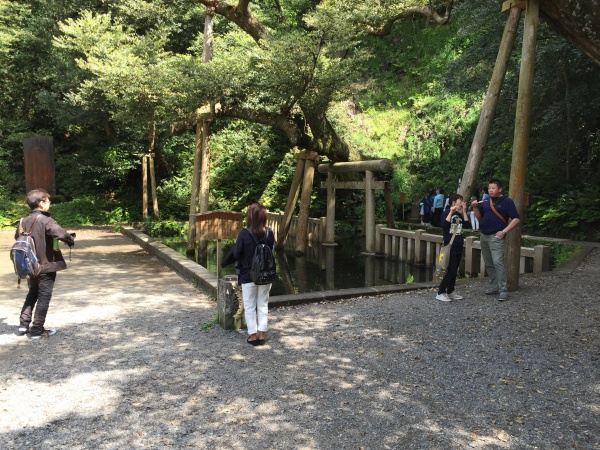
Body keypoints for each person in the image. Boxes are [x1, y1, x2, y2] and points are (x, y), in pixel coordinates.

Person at [17, 189, 75, 339]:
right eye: (48, 201)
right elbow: (60, 233)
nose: (49, 204)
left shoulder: (23, 221)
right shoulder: (45, 220)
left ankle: (23, 325)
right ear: (41, 203)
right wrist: (70, 239)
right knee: (44, 296)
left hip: (29, 264)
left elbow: (17, 237)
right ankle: (37, 330)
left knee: (33, 293)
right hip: (45, 265)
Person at [232, 203, 275, 346]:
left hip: (248, 275)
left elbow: (236, 253)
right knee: (263, 304)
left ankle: (253, 335)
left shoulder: (244, 234)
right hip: (266, 275)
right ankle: (262, 334)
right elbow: (271, 250)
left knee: (250, 306)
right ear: (264, 216)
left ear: (250, 217)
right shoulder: (269, 232)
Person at [472, 179, 520, 301]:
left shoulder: (507, 201)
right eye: (489, 188)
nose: (491, 190)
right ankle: (494, 286)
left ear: (500, 189)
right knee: (489, 263)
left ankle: (503, 290)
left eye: (493, 188)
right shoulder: (486, 200)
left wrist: (504, 231)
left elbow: (516, 218)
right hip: (484, 235)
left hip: (496, 236)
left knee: (498, 262)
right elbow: (480, 218)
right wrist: (476, 208)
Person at [436, 193, 471, 302]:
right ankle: (440, 292)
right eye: (460, 201)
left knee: (454, 270)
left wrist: (464, 211)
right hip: (450, 245)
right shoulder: (446, 213)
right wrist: (451, 211)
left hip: (458, 245)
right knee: (450, 270)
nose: (461, 202)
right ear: (453, 202)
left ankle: (450, 291)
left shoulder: (459, 214)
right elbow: (444, 226)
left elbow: (467, 225)